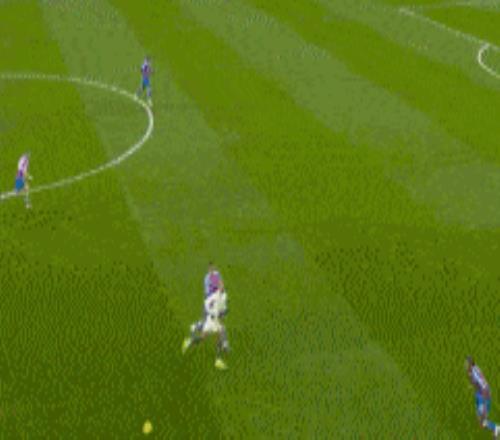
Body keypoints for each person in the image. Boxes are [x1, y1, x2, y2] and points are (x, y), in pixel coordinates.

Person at [182, 264, 229, 370]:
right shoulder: (218, 296)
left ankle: (190, 341)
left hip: (212, 319)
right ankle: (218, 359)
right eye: (220, 284)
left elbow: (213, 307)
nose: (222, 285)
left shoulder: (215, 296)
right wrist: (221, 313)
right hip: (213, 320)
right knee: (216, 335)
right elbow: (221, 311)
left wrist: (221, 312)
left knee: (207, 337)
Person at [466, 356, 500, 438]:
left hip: (483, 398)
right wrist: (472, 384)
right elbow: (475, 380)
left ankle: (496, 428)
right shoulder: (474, 369)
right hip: (479, 395)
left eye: (467, 363)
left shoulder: (479, 379)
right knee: (480, 420)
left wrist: (484, 407)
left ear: (470, 364)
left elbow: (485, 390)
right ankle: (495, 428)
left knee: (482, 422)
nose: (466, 365)